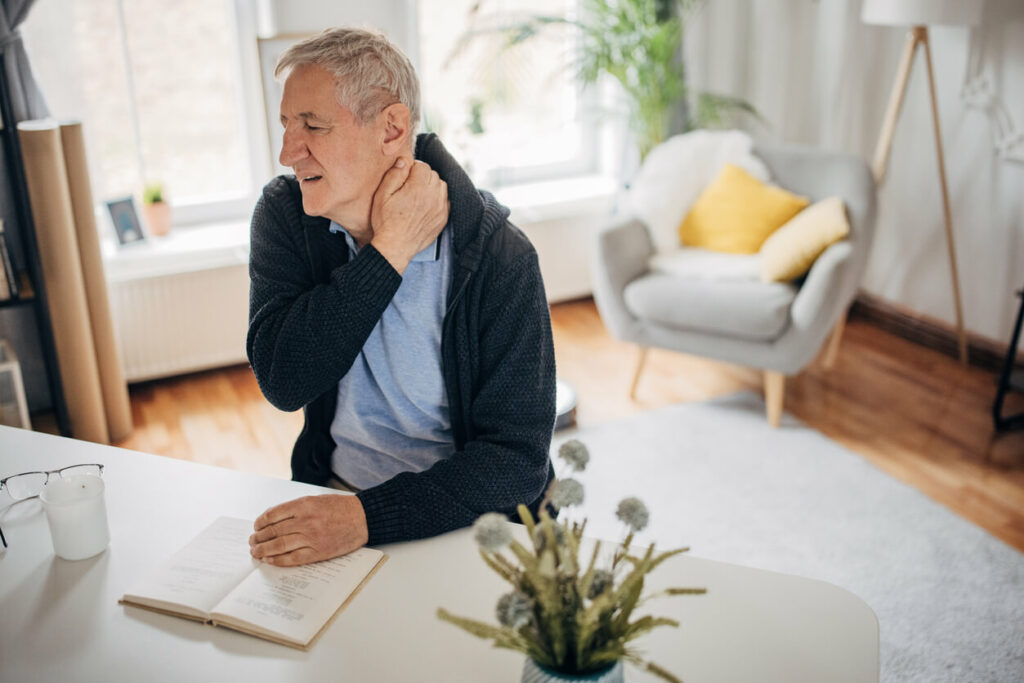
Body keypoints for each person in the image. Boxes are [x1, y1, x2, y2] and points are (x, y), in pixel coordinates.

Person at [245, 28, 556, 566]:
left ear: (391, 128)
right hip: (336, 497)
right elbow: (283, 380)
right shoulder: (285, 216)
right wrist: (387, 252)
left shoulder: (500, 257)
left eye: (313, 126)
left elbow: (516, 460)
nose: (287, 153)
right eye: (286, 125)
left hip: (465, 523)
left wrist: (368, 517)